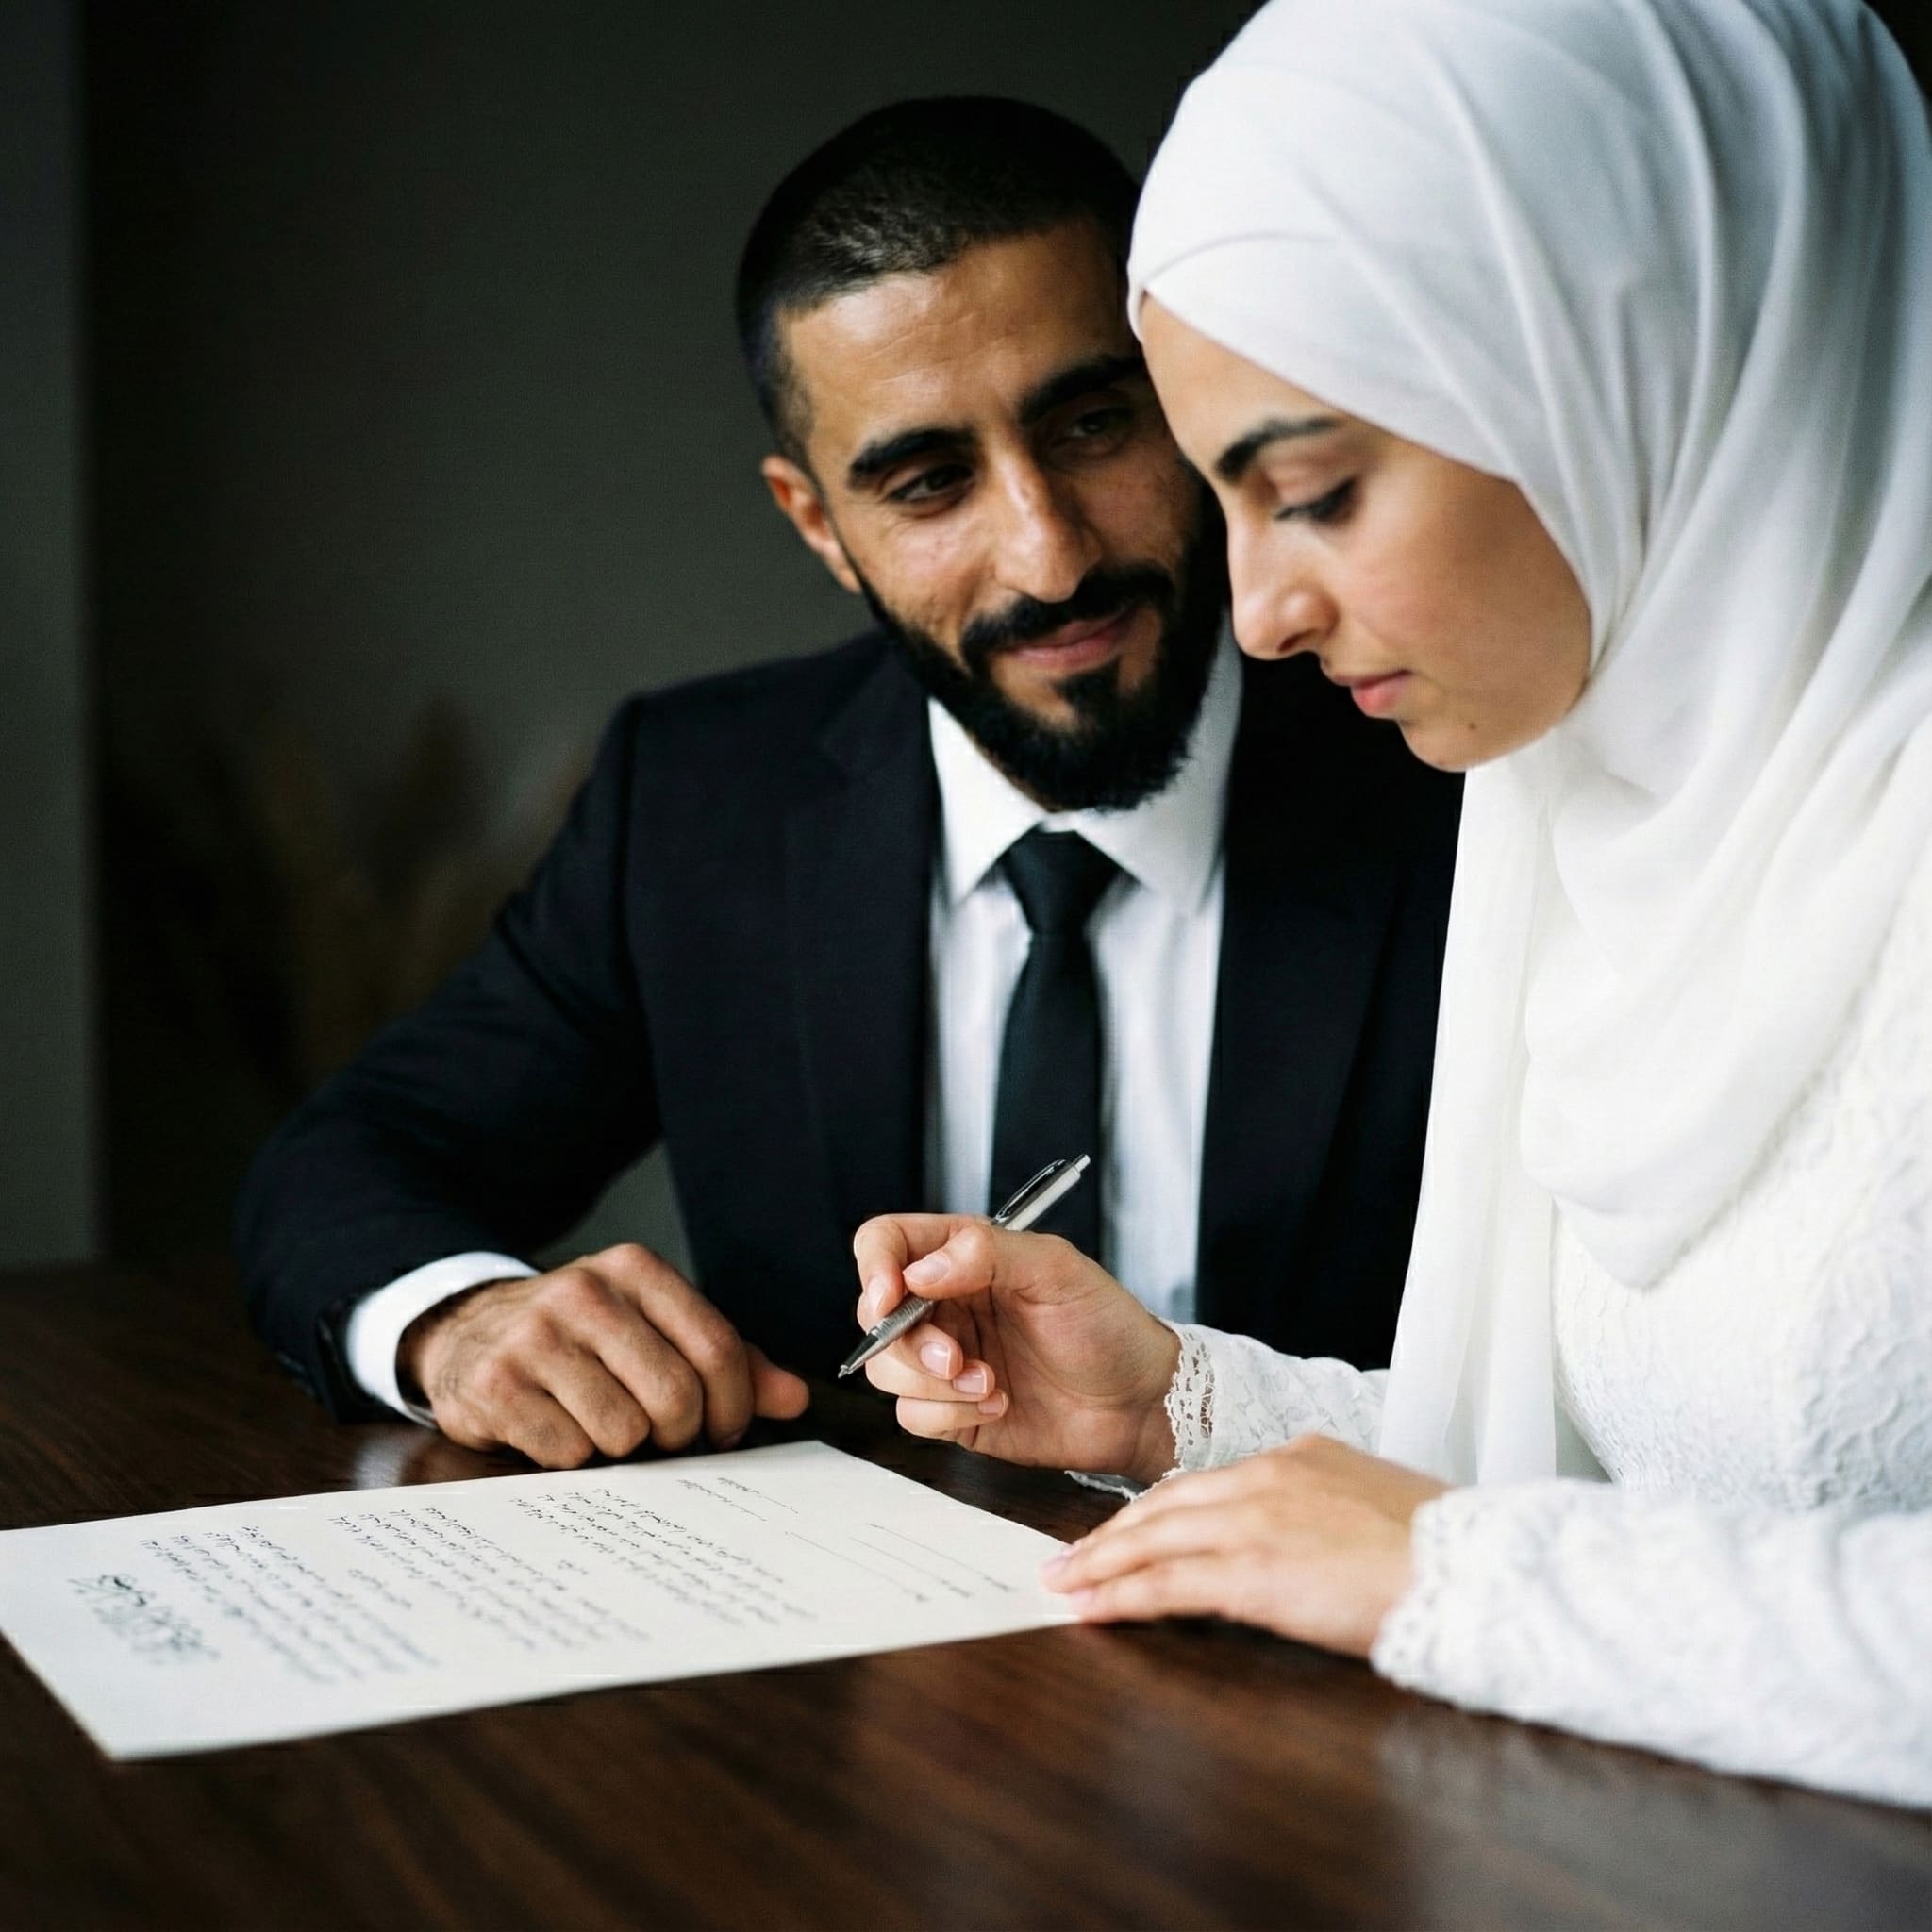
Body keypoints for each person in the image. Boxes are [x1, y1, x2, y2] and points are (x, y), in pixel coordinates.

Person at [850, 0, 1932, 1808]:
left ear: (1642, 360)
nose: (1255, 612)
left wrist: (1455, 1578)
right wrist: (1173, 1411)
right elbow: (1631, 1503)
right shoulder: (1593, 807)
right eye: (1228, 504)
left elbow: (1517, 1559)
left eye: (1320, 492)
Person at [236, 97, 1460, 1471]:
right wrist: (455, 1323)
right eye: (930, 484)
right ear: (819, 524)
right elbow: (348, 1162)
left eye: (1097, 424)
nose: (1048, 557)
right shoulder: (695, 800)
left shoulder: (1458, 767)